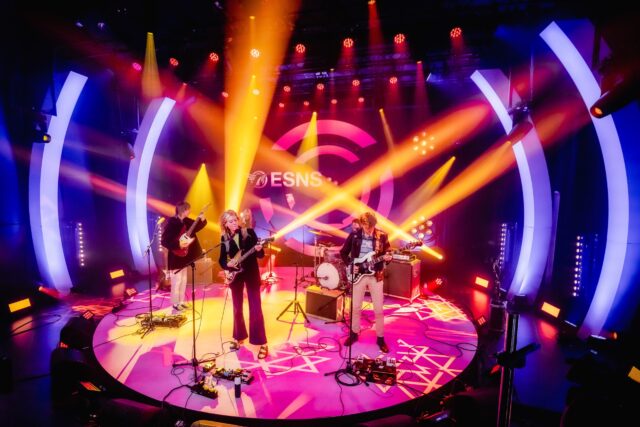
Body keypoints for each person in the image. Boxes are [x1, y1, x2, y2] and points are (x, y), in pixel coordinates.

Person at [218, 209, 269, 359]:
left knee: (255, 308)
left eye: (235, 220)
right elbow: (222, 259)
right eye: (231, 221)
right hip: (236, 275)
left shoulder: (249, 232)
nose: (234, 223)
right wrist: (228, 266)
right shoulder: (224, 238)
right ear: (225, 224)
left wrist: (259, 249)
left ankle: (262, 343)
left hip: (251, 273)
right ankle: (239, 337)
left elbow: (260, 255)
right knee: (237, 308)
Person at [340, 211, 392, 353]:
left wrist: (389, 258)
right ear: (362, 224)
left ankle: (380, 338)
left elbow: (388, 253)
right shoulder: (354, 235)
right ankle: (354, 333)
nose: (368, 230)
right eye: (365, 227)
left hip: (376, 275)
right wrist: (351, 265)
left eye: (370, 227)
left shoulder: (382, 236)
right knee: (356, 307)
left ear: (374, 225)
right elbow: (343, 252)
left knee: (378, 309)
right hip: (358, 275)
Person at [161, 201, 208, 311]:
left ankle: (181, 302)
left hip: (185, 256)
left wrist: (203, 218)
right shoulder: (172, 223)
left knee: (183, 280)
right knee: (176, 281)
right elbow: (164, 241)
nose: (190, 211)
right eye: (188, 209)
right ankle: (175, 303)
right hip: (175, 256)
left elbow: (197, 227)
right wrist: (178, 245)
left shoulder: (186, 221)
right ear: (183, 210)